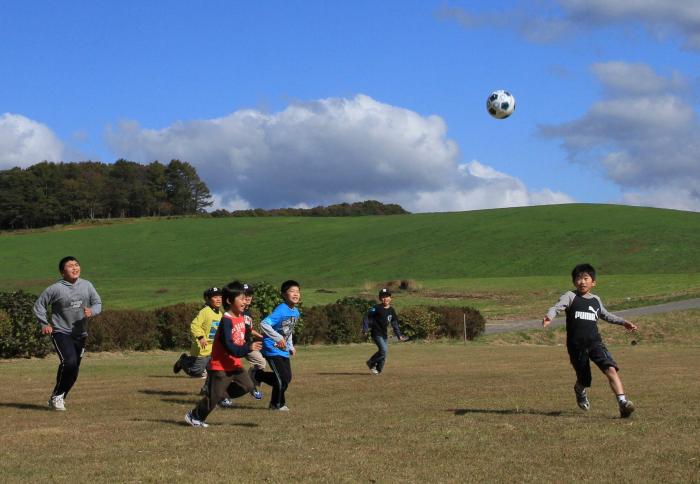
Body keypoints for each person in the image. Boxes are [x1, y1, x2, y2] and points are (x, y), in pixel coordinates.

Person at [543, 263, 639, 418]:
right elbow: (556, 308)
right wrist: (549, 316)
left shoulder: (596, 300)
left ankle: (622, 403)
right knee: (584, 379)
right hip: (576, 346)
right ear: (574, 281)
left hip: (595, 343)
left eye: (586, 278)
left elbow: (607, 315)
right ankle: (579, 390)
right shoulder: (570, 296)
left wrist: (624, 322)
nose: (582, 282)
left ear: (593, 282)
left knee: (611, 369)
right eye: (578, 279)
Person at [185, 281, 263, 428]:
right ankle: (194, 416)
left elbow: (244, 338)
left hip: (234, 365)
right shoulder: (226, 320)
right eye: (241, 298)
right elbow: (230, 347)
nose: (245, 300)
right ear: (229, 301)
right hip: (220, 366)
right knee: (213, 398)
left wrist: (264, 341)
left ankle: (220, 394)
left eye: (245, 297)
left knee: (247, 386)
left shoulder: (240, 317)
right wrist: (248, 348)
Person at [33, 256, 102, 411]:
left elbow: (97, 303)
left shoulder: (87, 285)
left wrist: (92, 311)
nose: (75, 268)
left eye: (77, 265)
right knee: (69, 362)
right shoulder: (55, 289)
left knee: (73, 369)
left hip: (81, 333)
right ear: (62, 272)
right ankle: (57, 396)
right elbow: (39, 306)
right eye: (70, 266)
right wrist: (44, 323)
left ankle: (58, 397)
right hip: (61, 331)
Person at [256, 280, 301, 411]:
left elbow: (288, 330)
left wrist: (290, 346)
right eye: (292, 291)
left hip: (283, 349)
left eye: (298, 291)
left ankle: (257, 376)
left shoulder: (296, 312)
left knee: (287, 378)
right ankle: (277, 405)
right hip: (271, 347)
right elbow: (264, 324)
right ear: (284, 294)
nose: (296, 294)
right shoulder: (281, 310)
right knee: (281, 379)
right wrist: (278, 338)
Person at [173, 287, 223, 379]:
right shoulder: (205, 311)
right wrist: (200, 337)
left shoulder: (220, 314)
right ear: (208, 299)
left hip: (212, 348)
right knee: (196, 372)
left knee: (215, 370)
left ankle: (206, 389)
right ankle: (183, 361)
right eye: (215, 297)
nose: (218, 299)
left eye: (220, 297)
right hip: (202, 347)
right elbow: (194, 325)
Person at [362, 288, 408, 375]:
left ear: (390, 298)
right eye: (383, 297)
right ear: (380, 298)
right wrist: (365, 328)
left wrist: (399, 335)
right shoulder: (376, 308)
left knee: (384, 354)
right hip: (376, 333)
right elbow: (366, 316)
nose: (385, 298)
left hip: (384, 334)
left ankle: (378, 370)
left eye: (387, 296)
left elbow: (394, 323)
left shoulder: (392, 310)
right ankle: (371, 362)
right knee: (384, 350)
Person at [242, 283, 266, 400]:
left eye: (250, 294)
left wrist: (261, 337)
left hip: (247, 344)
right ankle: (210, 389)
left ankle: (251, 387)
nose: (248, 297)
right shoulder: (234, 311)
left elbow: (249, 329)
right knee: (226, 370)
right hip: (235, 345)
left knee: (261, 363)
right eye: (245, 294)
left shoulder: (248, 312)